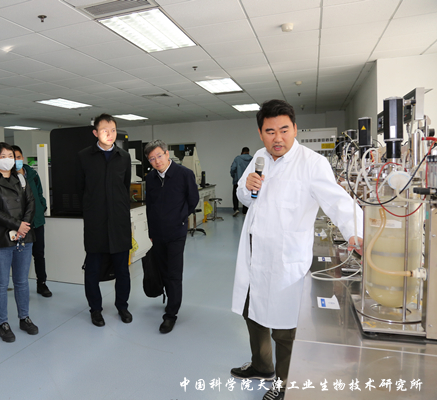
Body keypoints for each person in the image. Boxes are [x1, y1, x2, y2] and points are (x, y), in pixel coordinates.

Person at [230, 100, 364, 400]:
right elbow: (245, 196)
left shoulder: (311, 163)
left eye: (284, 130)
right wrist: (247, 186)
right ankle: (262, 365)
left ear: (294, 129)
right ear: (261, 133)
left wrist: (356, 232)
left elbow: (337, 201)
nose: (277, 138)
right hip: (254, 252)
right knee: (252, 313)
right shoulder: (259, 158)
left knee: (284, 327)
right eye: (270, 131)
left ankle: (284, 383)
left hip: (285, 258)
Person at [0, 142, 39, 343]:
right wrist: (17, 225)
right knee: (1, 283)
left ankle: (24, 318)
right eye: (3, 156)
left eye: (10, 156)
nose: (8, 159)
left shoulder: (21, 179)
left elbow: (31, 203)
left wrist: (24, 226)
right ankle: (3, 323)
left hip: (24, 238)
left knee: (22, 281)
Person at [77, 113, 132, 327]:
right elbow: (80, 188)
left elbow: (125, 187)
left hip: (119, 223)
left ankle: (122, 306)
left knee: (122, 270)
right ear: (95, 133)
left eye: (113, 130)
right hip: (95, 224)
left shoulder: (123, 157)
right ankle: (95, 309)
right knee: (92, 271)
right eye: (104, 131)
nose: (110, 134)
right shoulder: (84, 156)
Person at [144, 140, 199, 334]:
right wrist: (151, 232)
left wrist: (180, 218)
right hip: (158, 234)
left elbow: (193, 200)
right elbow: (149, 206)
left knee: (174, 273)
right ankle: (170, 299)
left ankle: (171, 315)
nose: (157, 161)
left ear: (167, 154)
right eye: (152, 159)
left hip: (176, 232)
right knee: (163, 270)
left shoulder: (184, 174)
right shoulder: (151, 178)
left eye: (159, 156)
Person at [12, 145, 51, 297]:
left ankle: (42, 283)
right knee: (21, 256)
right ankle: (21, 286)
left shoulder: (32, 174)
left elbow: (39, 193)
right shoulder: (9, 177)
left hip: (37, 221)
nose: (16, 160)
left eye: (18, 157)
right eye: (13, 157)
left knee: (39, 254)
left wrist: (42, 206)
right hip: (20, 223)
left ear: (22, 157)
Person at [229, 147, 252, 216]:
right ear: (248, 152)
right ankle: (245, 211)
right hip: (248, 181)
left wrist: (234, 176)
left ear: (242, 152)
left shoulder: (237, 158)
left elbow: (233, 169)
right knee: (246, 194)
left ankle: (236, 209)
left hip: (237, 180)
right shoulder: (252, 159)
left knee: (235, 195)